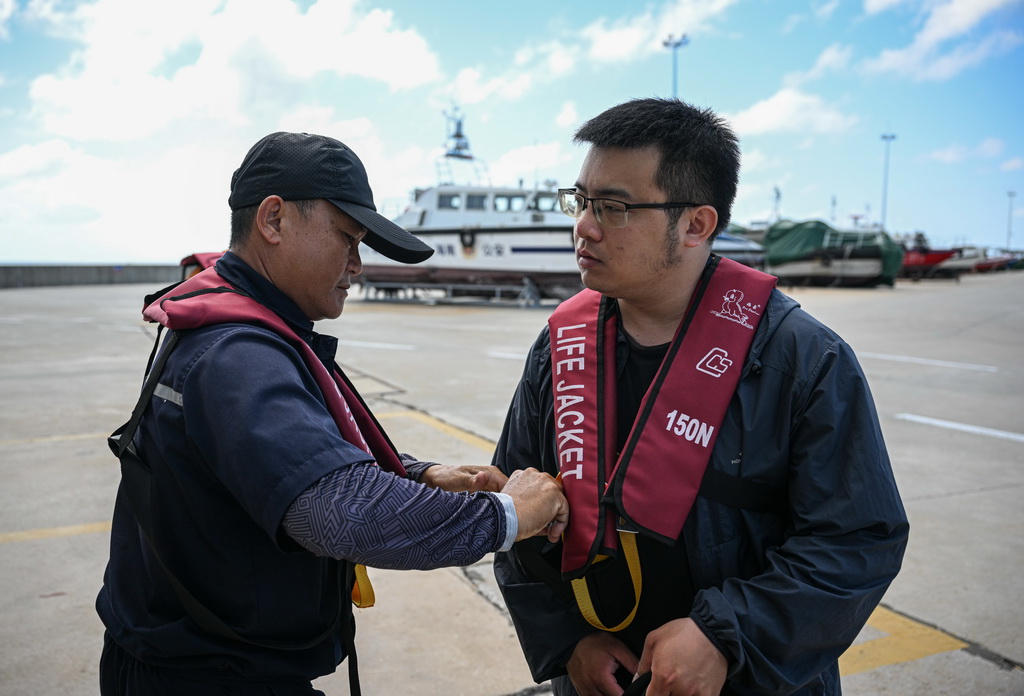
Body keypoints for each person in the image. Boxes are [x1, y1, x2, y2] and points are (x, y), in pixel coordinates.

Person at [96, 131, 569, 696]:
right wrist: (511, 513)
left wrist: (419, 475)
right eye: (347, 238)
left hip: (200, 662)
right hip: (207, 677)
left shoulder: (238, 330)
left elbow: (293, 452)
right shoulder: (237, 356)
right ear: (273, 220)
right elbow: (341, 513)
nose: (357, 265)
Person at [491, 98, 909, 696]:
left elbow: (857, 539)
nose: (584, 226)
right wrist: (569, 642)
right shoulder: (559, 348)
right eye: (580, 201)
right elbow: (513, 503)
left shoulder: (802, 360)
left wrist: (725, 635)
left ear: (696, 225)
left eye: (613, 207)